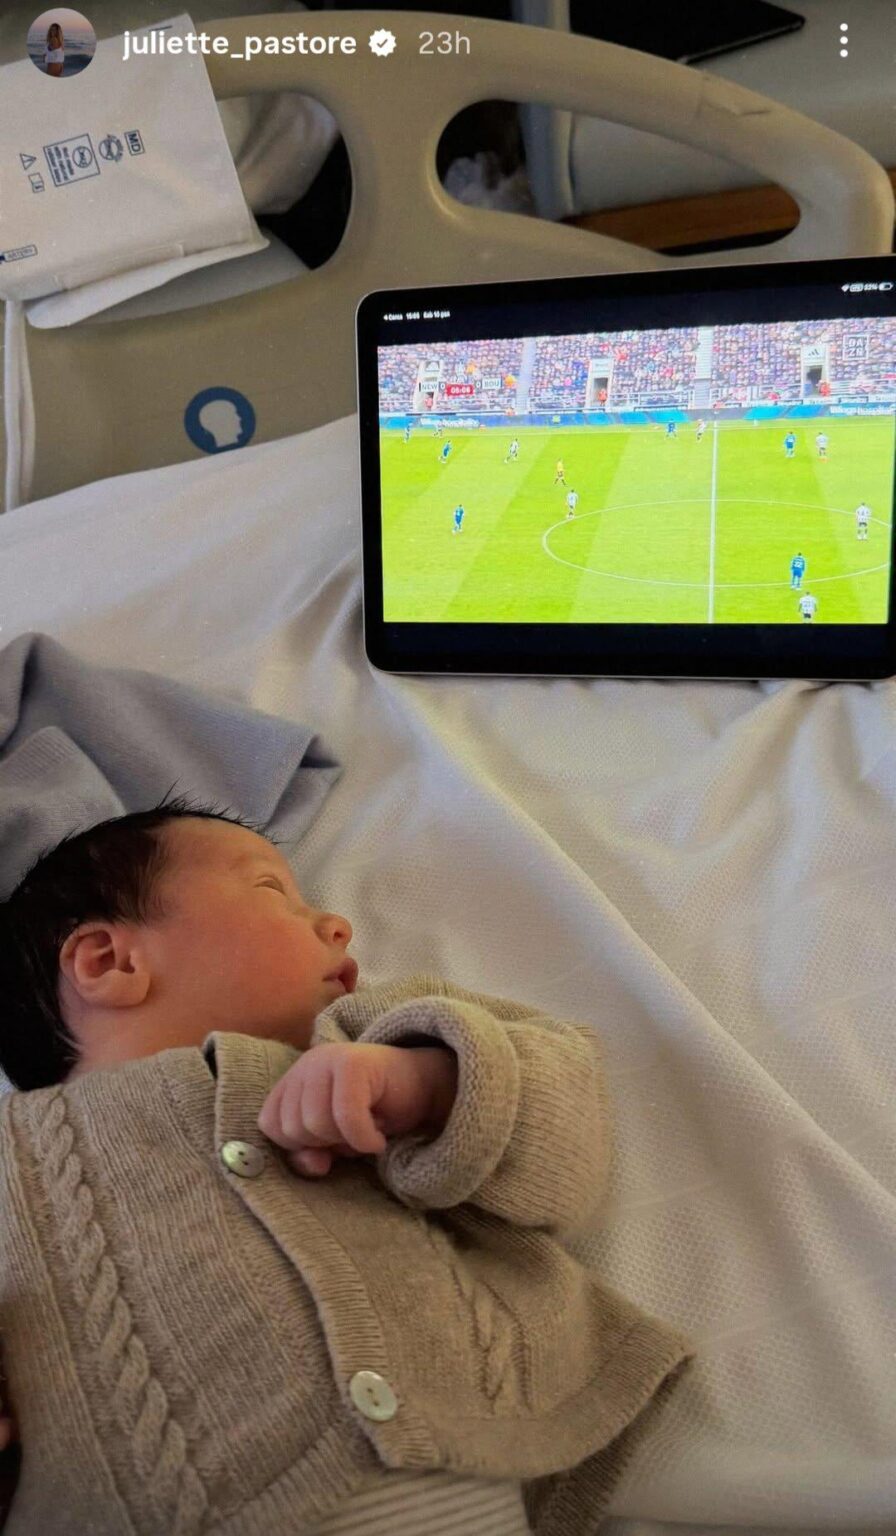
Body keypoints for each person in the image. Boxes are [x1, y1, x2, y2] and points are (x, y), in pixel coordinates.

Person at [0, 798, 694, 1532]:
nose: (336, 924)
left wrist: (424, 1086)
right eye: (274, 892)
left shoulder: (369, 1040)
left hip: (450, 1464)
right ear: (111, 961)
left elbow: (565, 1118)